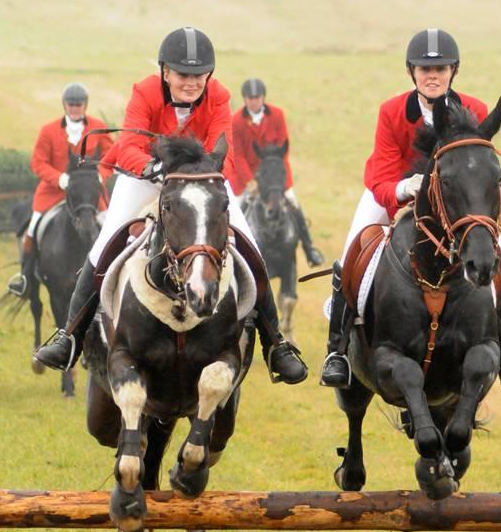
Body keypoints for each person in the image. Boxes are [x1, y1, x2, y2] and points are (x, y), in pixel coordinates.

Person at [34, 27, 308, 385]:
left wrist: (197, 172)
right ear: (165, 71)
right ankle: (69, 335)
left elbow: (222, 149)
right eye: (183, 75)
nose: (192, 83)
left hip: (199, 179)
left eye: (199, 75)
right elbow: (130, 144)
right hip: (145, 175)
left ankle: (276, 343)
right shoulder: (144, 92)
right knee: (106, 244)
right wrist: (153, 167)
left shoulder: (219, 97)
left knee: (249, 243)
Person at [320, 27, 501, 391]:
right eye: (424, 69)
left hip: (452, 205)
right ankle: (337, 351)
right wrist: (407, 187)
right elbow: (384, 173)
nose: (432, 75)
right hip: (392, 191)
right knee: (353, 251)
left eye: (441, 69)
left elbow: (475, 168)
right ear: (412, 73)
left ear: (454, 71)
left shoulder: (475, 109)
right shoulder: (392, 112)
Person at [6, 83, 113, 297]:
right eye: (71, 104)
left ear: (85, 105)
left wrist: (100, 175)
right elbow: (38, 162)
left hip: (87, 193)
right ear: (64, 105)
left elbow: (112, 156)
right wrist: (59, 178)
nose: (74, 108)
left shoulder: (98, 127)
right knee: (33, 228)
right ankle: (25, 277)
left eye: (78, 104)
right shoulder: (48, 130)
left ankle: (112, 274)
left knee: (111, 228)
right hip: (54, 191)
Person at [231, 78, 323, 268]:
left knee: (293, 203)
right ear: (245, 99)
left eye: (256, 97)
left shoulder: (277, 115)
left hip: (275, 176)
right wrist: (250, 180)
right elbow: (238, 155)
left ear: (263, 97)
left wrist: (269, 177)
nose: (253, 101)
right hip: (247, 177)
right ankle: (233, 252)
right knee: (237, 209)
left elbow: (283, 147)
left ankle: (309, 248)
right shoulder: (237, 121)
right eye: (249, 98)